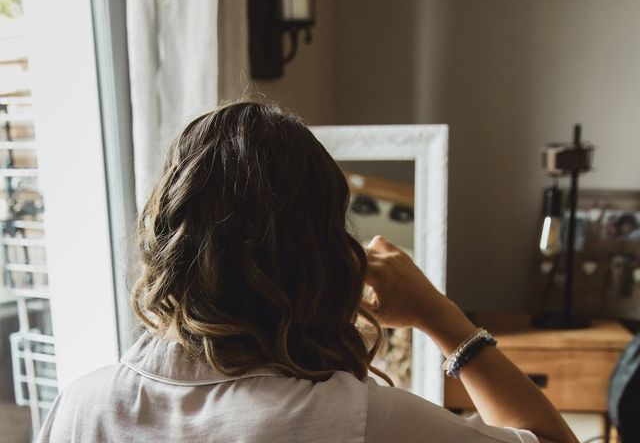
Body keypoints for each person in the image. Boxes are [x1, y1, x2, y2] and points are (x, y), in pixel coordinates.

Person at [37, 102, 578, 443]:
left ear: (165, 241)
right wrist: (442, 318)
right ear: (320, 256)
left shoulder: (83, 408)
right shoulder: (363, 422)